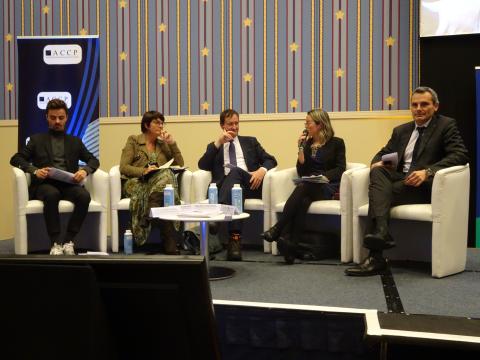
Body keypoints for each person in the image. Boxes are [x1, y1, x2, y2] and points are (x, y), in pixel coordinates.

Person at [345, 86, 469, 276]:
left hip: (422, 186)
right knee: (377, 173)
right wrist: (380, 163)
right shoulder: (401, 131)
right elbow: (382, 155)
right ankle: (381, 234)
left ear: (435, 106)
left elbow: (460, 154)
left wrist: (427, 172)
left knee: (378, 194)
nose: (418, 108)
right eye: (414, 105)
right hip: (399, 180)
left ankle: (376, 256)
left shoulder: (446, 125)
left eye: (424, 104)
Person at [10, 98, 99, 255]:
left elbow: (94, 160)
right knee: (52, 194)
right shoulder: (36, 140)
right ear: (47, 117)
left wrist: (84, 170)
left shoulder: (75, 141)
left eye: (61, 118)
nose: (57, 121)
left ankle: (68, 240)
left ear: (66, 118)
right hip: (45, 185)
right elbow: (16, 159)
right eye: (53, 118)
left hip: (68, 184)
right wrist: (34, 170)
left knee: (84, 196)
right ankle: (55, 243)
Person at [261, 109, 346, 264]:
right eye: (305, 123)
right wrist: (300, 149)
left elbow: (341, 168)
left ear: (320, 124)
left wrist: (325, 177)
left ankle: (278, 229)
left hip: (327, 186)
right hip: (309, 185)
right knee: (303, 201)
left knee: (304, 187)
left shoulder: (337, 143)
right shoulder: (307, 144)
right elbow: (301, 171)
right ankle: (291, 248)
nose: (306, 126)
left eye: (308, 122)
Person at [198, 109, 277, 261]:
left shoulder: (250, 141)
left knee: (236, 172)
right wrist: (218, 143)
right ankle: (235, 241)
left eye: (236, 123)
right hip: (225, 188)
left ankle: (217, 213)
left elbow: (271, 160)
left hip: (251, 184)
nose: (234, 127)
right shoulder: (215, 146)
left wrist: (262, 170)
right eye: (230, 124)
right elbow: (203, 165)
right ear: (222, 126)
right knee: (236, 190)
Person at [119, 110, 184, 254]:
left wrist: (172, 144)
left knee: (166, 174)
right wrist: (144, 171)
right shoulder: (134, 141)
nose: (161, 126)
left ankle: (151, 210)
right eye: (157, 122)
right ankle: (170, 242)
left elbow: (179, 164)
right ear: (147, 125)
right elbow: (123, 167)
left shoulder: (163, 144)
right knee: (165, 186)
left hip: (157, 185)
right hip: (136, 182)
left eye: (162, 123)